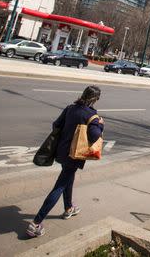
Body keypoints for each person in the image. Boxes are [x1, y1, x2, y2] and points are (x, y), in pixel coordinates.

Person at [27, 85, 104, 238]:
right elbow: (95, 136)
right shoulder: (91, 116)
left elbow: (56, 125)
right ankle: (36, 222)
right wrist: (100, 125)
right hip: (74, 155)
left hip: (61, 151)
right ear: (95, 99)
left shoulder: (70, 108)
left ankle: (69, 208)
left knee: (68, 177)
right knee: (60, 186)